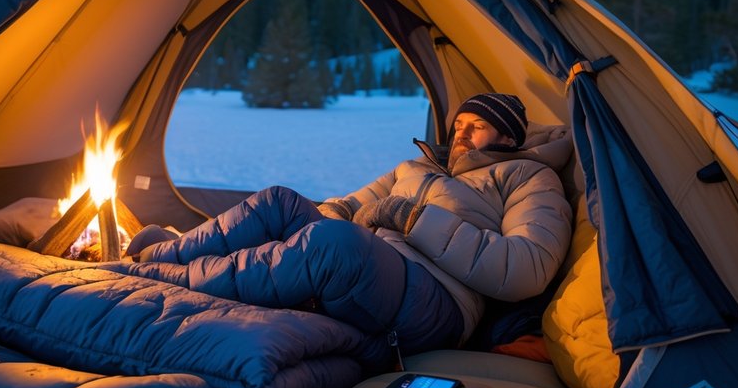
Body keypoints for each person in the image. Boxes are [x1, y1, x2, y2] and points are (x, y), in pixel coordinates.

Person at [115, 93, 574, 356]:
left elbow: (525, 268)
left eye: (477, 126)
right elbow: (349, 205)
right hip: (378, 268)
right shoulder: (419, 167)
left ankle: (159, 274)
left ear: (509, 137)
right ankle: (167, 251)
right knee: (282, 202)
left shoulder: (529, 177)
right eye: (458, 124)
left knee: (335, 244)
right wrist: (331, 216)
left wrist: (411, 218)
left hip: (439, 300)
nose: (461, 133)